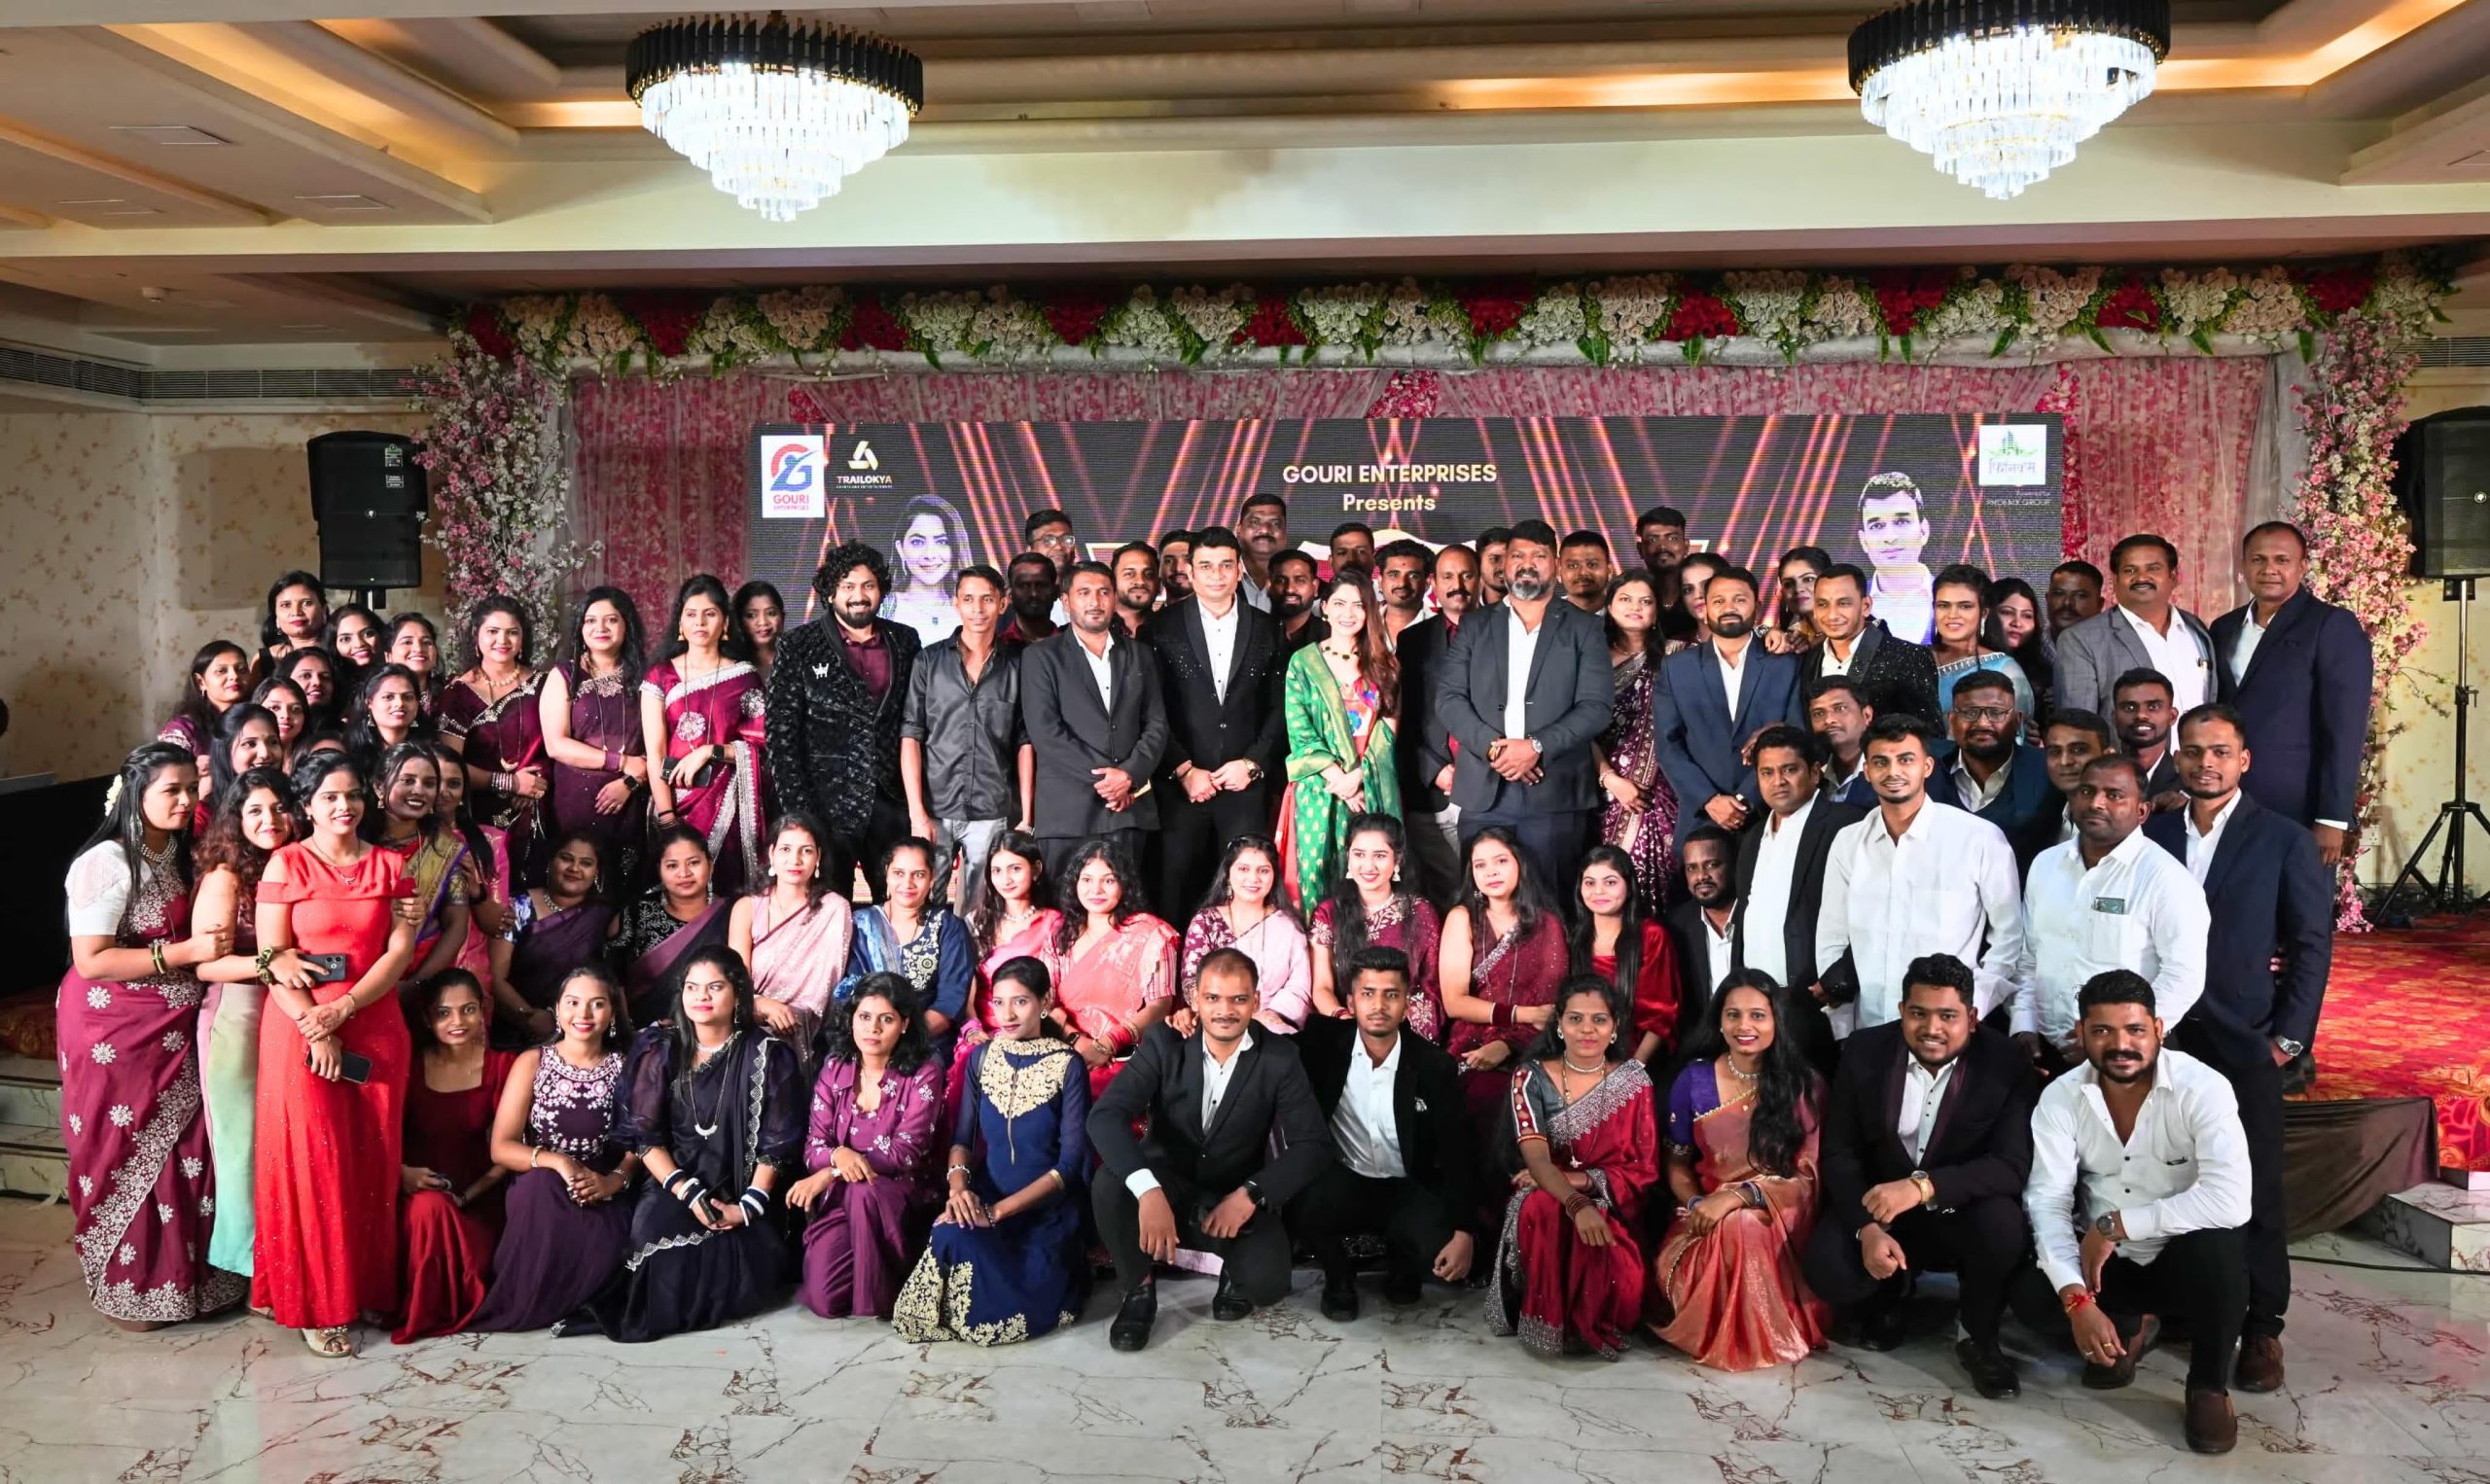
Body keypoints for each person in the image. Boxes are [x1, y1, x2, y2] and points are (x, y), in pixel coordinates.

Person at [2144, 703, 2334, 1390]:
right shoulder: (2152, 833)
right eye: (2193, 751)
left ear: (2244, 760)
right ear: (2177, 757)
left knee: (2252, 1183)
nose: (2206, 763)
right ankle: (2179, 1307)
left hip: (2245, 1038)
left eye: (2220, 751)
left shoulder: (2282, 839)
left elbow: (2311, 943)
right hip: (2162, 1039)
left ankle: (2261, 1327)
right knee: (2167, 1173)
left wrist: (2288, 1038)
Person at [57, 743, 246, 1328]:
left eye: (191, 788)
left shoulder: (184, 854)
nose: (185, 800)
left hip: (175, 1027)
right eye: (171, 790)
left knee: (187, 1148)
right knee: (122, 1148)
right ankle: (130, 1286)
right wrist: (183, 954)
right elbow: (92, 960)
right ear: (136, 793)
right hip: (113, 1030)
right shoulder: (107, 861)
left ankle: (189, 1280)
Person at [2025, 971, 2251, 1454]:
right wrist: (2077, 1301)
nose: (2120, 1045)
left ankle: (2208, 1386)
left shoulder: (2202, 1087)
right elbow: (2048, 1201)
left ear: (2158, 1029)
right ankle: (2127, 1326)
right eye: (2102, 1031)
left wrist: (2116, 1225)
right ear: (2081, 1033)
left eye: (2134, 1030)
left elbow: (2231, 1199)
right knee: (2028, 1293)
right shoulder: (2060, 1097)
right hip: (2104, 1268)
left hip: (2178, 1257)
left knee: (2221, 1249)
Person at [1802, 954, 2034, 1397]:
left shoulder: (2005, 1062)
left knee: (2003, 1227)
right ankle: (1891, 1295)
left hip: (1958, 1209)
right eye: (1918, 1013)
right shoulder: (1865, 1051)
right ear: (1901, 1010)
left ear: (1972, 1017)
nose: (1932, 1028)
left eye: (1947, 1016)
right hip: (1883, 1209)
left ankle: (1978, 1334)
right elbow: (1839, 1151)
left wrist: (1923, 1187)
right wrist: (1865, 1228)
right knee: (1829, 1267)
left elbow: (2010, 1164)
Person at [253, 751, 418, 1357]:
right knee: (314, 1163)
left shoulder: (391, 865)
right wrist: (316, 1027)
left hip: (373, 1023)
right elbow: (271, 961)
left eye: (351, 795)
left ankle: (366, 1287)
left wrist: (343, 1010)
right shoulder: (286, 862)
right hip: (298, 1026)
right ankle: (319, 1304)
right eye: (328, 797)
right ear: (307, 806)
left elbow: (398, 954)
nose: (343, 806)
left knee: (372, 1159)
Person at [1088, 948, 1334, 1349]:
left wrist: (1251, 1194)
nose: (1225, 1011)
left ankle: (1231, 1271)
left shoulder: (1280, 1057)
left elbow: (1313, 1145)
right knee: (1110, 1184)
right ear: (1196, 1000)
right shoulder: (1165, 1042)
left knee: (1267, 1283)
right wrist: (1147, 1190)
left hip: (1228, 1196)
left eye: (1238, 999)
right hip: (1165, 1183)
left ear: (1256, 1001)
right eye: (1213, 998)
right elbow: (1105, 1116)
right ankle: (1139, 1292)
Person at [564, 946, 806, 1342]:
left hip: (741, 1188)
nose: (701, 997)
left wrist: (746, 1208)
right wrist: (688, 1192)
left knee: (737, 1266)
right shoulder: (660, 1047)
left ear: (738, 994)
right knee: (656, 1258)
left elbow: (777, 1144)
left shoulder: (769, 1054)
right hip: (673, 1182)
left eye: (715, 987)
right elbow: (646, 1138)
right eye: (692, 987)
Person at [895, 955, 1091, 1345]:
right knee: (949, 1235)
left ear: (1045, 1001)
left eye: (1020, 1001)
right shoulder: (982, 1058)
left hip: (1045, 1213)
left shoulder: (1069, 1065)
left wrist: (997, 1213)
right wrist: (959, 1193)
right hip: (987, 1195)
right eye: (999, 1002)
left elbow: (1070, 1165)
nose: (1007, 1014)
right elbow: (962, 1141)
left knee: (1013, 1304)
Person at [1651, 971, 1830, 1370]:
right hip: (1703, 1212)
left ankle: (1747, 1339)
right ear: (1719, 1021)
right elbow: (1677, 1163)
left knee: (1743, 1225)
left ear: (1777, 1021)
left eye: (1757, 1016)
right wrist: (1698, 1204)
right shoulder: (1694, 1080)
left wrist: (1739, 1197)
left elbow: (1807, 1176)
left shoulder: (1804, 1086)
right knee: (1730, 1228)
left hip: (1778, 1213)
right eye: (1733, 1015)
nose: (1744, 1026)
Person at [1290, 946, 1475, 1319]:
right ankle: (1338, 1275)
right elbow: (1263, 1047)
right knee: (1297, 1197)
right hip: (1344, 1178)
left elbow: (1459, 1153)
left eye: (1391, 994)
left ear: (1406, 1003)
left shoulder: (1434, 1065)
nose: (1379, 1005)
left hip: (1406, 1185)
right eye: (1368, 993)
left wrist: (1465, 1232)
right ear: (1351, 1001)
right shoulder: (1322, 1045)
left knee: (1438, 1248)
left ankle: (1403, 1263)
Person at [1816, 717, 2024, 1038]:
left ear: (1927, 767)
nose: (1893, 772)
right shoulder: (1848, 842)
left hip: (1950, 1033)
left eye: (1906, 760)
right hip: (1868, 1029)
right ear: (1866, 771)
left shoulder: (1978, 838)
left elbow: (2009, 939)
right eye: (1881, 762)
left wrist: (1971, 1008)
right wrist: (1843, 1029)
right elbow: (1832, 938)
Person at [1436, 520, 1616, 889]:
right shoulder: (1475, 625)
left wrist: (1536, 747)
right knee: (1483, 904)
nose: (1527, 564)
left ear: (1556, 565)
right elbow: (1449, 699)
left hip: (1556, 793)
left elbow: (1596, 706)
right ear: (1504, 565)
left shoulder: (1584, 628)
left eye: (1539, 556)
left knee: (1552, 904)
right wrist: (1496, 749)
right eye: (1518, 555)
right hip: (1485, 791)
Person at [1487, 975, 1655, 1359]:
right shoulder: (1529, 1077)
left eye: (1599, 1020)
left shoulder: (1634, 1082)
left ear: (1615, 1028)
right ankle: (1550, 1321)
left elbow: (1643, 1169)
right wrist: (1576, 1202)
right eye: (1576, 1019)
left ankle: (1587, 1320)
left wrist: (1580, 1183)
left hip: (1612, 1201)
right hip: (1544, 1193)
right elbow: (1536, 1160)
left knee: (1623, 1280)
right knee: (1544, 1205)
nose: (1587, 1030)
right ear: (1559, 1024)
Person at [2014, 756, 2210, 1074]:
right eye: (2087, 791)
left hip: (2127, 1059)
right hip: (2047, 1052)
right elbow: (2030, 956)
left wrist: (2114, 1038)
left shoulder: (2167, 879)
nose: (2096, 803)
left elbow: (2183, 977)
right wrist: (2023, 1024)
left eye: (2114, 795)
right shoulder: (2045, 865)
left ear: (2142, 811)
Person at [472, 964, 639, 1332]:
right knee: (539, 1187)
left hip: (600, 1187)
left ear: (612, 1012)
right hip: (541, 1183)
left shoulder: (626, 1067)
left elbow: (640, 1143)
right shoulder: (532, 1062)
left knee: (611, 1239)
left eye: (597, 1004)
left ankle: (577, 1305)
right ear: (557, 1009)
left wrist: (613, 1181)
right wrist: (558, 1163)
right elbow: (501, 1147)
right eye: (573, 1002)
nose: (583, 1014)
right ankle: (534, 1301)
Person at [1144, 527, 1287, 918]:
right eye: (1206, 566)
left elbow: (1280, 708)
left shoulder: (1267, 627)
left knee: (1246, 896)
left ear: (1239, 569)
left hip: (1244, 787)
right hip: (1181, 788)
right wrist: (1183, 769)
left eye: (1226, 565)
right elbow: (1151, 709)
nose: (1217, 575)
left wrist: (1253, 763)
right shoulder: (1160, 628)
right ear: (1190, 572)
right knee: (1175, 892)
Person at [790, 973, 949, 1321]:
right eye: (864, 1016)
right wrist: (838, 1156)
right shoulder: (835, 1068)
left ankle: (882, 1293)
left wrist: (831, 1172)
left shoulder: (924, 1073)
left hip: (902, 1196)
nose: (872, 1028)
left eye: (886, 1019)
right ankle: (871, 1282)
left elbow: (906, 1152)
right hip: (842, 1199)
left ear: (905, 1024)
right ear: (851, 1019)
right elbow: (814, 1146)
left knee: (864, 1192)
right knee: (825, 1300)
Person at [767, 544, 921, 900]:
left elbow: (916, 723)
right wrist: (801, 815)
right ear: (830, 592)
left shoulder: (905, 640)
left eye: (868, 585)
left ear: (881, 589)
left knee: (899, 907)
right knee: (826, 909)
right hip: (825, 806)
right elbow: (781, 735)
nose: (859, 596)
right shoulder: (798, 645)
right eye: (848, 586)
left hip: (891, 802)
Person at [191, 766, 297, 1281]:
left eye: (279, 807)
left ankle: (284, 1261)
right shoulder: (226, 876)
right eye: (255, 810)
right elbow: (206, 964)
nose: (269, 819)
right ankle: (250, 1268)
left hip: (289, 1014)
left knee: (283, 1144)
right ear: (236, 818)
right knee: (242, 1148)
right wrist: (273, 964)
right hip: (238, 1015)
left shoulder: (299, 862)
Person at [2212, 521, 2372, 861]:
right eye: (2258, 559)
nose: (2269, 569)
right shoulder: (2223, 627)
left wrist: (2332, 817)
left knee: (2297, 894)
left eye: (2281, 560)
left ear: (2302, 566)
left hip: (2299, 806)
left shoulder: (2330, 624)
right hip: (2227, 800)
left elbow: (2345, 728)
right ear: (2244, 565)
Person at [392, 970, 517, 1343]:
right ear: (427, 1018)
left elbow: (509, 1149)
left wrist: (467, 1195)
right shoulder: (409, 1065)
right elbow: (382, 1135)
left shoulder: (504, 1066)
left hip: (479, 1195)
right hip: (416, 1190)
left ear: (484, 1009)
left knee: (447, 1218)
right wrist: (401, 1173)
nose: (457, 1021)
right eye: (444, 1013)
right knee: (429, 1210)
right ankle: (422, 1309)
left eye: (468, 1010)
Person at [1730, 725, 1863, 1076]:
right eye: (1767, 773)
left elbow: (1877, 910)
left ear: (1815, 773)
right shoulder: (1752, 837)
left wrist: (1839, 978)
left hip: (1823, 1003)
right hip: (1762, 1009)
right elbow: (1746, 915)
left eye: (1789, 769)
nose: (1778, 781)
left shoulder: (1847, 824)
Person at [1020, 561, 1166, 880]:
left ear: (1114, 598)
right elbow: (1046, 732)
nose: (1095, 601)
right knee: (1064, 906)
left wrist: (1129, 775)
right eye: (1084, 593)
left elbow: (1156, 725)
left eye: (1103, 592)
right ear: (1066, 600)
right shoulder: (1041, 657)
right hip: (1068, 813)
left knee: (1127, 906)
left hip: (1128, 809)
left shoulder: (1140, 654)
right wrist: (1110, 782)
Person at [903, 564, 1031, 917]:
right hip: (935, 807)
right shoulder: (928, 661)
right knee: (923, 908)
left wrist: (1027, 815)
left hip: (992, 808)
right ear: (955, 602)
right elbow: (911, 735)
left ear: (1002, 603)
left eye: (987, 599)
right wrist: (917, 813)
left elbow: (1025, 740)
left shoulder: (1018, 665)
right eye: (969, 599)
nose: (978, 609)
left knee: (977, 913)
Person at [1654, 563, 1806, 845]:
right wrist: (1710, 800)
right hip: (1701, 818)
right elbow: (1668, 745)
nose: (1729, 608)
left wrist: (1746, 799)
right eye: (1718, 601)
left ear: (1756, 607)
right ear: (1705, 609)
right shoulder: (1676, 668)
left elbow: (1797, 732)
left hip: (1771, 813)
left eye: (1739, 599)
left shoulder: (1785, 664)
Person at [642, 575, 767, 895]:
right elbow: (655, 752)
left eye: (710, 614)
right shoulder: (660, 675)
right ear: (680, 623)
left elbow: (762, 745)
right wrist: (666, 816)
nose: (700, 622)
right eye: (691, 614)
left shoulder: (744, 677)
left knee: (724, 892)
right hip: (673, 800)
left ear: (724, 623)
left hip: (728, 805)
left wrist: (710, 751)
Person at [1285, 572, 1402, 902]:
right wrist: (1338, 779)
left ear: (1370, 611)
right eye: (1339, 603)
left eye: (1358, 605)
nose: (1347, 613)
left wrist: (1358, 777)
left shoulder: (1385, 664)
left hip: (1371, 785)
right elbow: (1300, 729)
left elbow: (1387, 731)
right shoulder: (1303, 662)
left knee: (1371, 876)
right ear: (1324, 607)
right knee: (1316, 875)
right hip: (1320, 785)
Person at [1441, 827, 1570, 1125]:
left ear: (1519, 863)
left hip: (1534, 1043)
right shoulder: (1462, 918)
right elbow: (1455, 1002)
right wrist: (1520, 1015)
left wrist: (1508, 1045)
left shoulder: (1546, 923)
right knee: (1477, 1093)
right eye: (1480, 865)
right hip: (1471, 1041)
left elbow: (1548, 1011)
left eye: (1501, 861)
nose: (1491, 872)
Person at [539, 586, 650, 891]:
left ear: (627, 625)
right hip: (575, 802)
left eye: (611, 620)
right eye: (591, 621)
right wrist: (621, 762)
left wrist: (630, 783)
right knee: (575, 887)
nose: (600, 628)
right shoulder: (565, 675)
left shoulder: (647, 677)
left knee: (624, 889)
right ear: (580, 628)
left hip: (631, 799)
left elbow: (659, 743)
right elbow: (556, 744)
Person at [1051, 838, 1179, 1097]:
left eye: (1108, 880)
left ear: (1124, 884)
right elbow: (1045, 1002)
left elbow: (1160, 1005)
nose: (1096, 890)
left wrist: (1108, 1044)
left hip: (1126, 1057)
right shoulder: (1060, 935)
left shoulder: (1151, 933)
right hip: (1062, 1049)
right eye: (1087, 880)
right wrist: (1076, 1040)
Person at [439, 595, 548, 885]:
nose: (503, 640)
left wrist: (537, 781)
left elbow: (562, 741)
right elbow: (449, 766)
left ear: (523, 639)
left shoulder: (545, 684)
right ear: (477, 637)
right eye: (493, 631)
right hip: (481, 813)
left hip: (541, 809)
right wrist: (510, 782)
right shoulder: (458, 693)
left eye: (512, 632)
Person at [836, 838, 975, 1060]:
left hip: (927, 1042)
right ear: (886, 873)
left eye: (918, 874)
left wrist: (905, 1039)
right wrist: (878, 1038)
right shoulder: (861, 925)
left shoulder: (948, 927)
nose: (907, 883)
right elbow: (850, 993)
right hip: (867, 1041)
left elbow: (950, 1000)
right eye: (899, 873)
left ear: (932, 878)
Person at [1309, 813, 1444, 1038]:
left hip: (1406, 1026)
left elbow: (1431, 985)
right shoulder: (1328, 912)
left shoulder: (1419, 911)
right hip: (1346, 1024)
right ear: (1348, 857)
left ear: (1397, 859)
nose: (1368, 866)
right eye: (1359, 854)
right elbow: (1322, 988)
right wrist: (1346, 1021)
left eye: (1380, 855)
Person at [2053, 534, 2216, 721]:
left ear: (2173, 577)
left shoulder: (2196, 629)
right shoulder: (2081, 639)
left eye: (2153, 568)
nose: (2141, 577)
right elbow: (2078, 727)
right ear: (2115, 580)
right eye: (2130, 570)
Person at [727, 814, 853, 1048]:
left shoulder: (834, 909)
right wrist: (762, 1006)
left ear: (818, 857)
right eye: (785, 849)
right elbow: (735, 980)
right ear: (771, 854)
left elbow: (824, 990)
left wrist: (788, 1016)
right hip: (748, 1021)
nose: (795, 859)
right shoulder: (747, 908)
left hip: (802, 1030)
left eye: (806, 851)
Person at [1394, 542, 1476, 900]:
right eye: (1448, 577)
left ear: (1480, 579)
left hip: (1492, 788)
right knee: (1441, 897)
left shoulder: (1504, 633)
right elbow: (1404, 718)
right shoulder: (1413, 641)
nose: (1458, 585)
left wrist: (1476, 769)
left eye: (1467, 575)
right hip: (1432, 790)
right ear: (1434, 584)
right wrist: (1434, 769)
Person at [1594, 571, 1679, 909]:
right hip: (1604, 792)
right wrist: (1610, 779)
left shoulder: (1679, 655)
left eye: (1646, 601)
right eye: (1626, 600)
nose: (1636, 607)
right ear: (1609, 606)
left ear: (1657, 610)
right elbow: (1577, 729)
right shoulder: (1589, 660)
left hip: (1663, 791)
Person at [1179, 834, 1313, 1034]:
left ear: (1274, 876)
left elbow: (1299, 986)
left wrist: (1268, 1017)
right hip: (1216, 1023)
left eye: (1263, 871)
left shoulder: (1287, 924)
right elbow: (1192, 984)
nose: (1253, 879)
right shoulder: (1206, 922)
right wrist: (1237, 1016)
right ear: (1227, 873)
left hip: (1273, 1025)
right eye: (1243, 869)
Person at [366, 743, 473, 991]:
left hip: (420, 974)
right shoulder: (357, 840)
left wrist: (416, 985)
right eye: (408, 780)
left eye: (429, 783)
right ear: (379, 786)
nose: (419, 790)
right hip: (359, 970)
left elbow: (456, 926)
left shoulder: (445, 848)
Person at [1572, 843, 1682, 1068]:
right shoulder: (1574, 938)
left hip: (1636, 1059)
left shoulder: (1651, 936)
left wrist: (1632, 1070)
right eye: (1590, 883)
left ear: (1629, 887)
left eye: (1610, 882)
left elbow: (1661, 1017)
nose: (1598, 891)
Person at [1929, 670, 2059, 861]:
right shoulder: (1926, 768)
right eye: (1970, 712)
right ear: (1951, 721)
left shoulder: (2047, 770)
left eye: (1996, 713)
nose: (1982, 723)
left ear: (2018, 721)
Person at [613, 826, 734, 1029]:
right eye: (672, 866)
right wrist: (629, 1033)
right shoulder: (636, 913)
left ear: (710, 866)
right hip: (643, 1033)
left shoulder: (731, 913)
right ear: (659, 870)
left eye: (694, 863)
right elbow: (612, 977)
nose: (684, 873)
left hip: (713, 1029)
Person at [1797, 564, 1940, 727]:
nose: (1832, 615)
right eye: (1823, 604)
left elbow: (1929, 734)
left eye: (1843, 603)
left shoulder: (1909, 656)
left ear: (1865, 606)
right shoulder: (1808, 659)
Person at [499, 830, 616, 1022]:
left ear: (596, 872)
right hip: (521, 1021)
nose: (574, 868)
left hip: (583, 1021)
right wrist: (530, 1017)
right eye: (566, 859)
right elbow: (496, 978)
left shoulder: (603, 915)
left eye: (586, 863)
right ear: (551, 861)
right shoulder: (518, 907)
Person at [1665, 827, 1741, 1053]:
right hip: (1702, 1046)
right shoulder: (1676, 925)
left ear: (1734, 866)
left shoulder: (1756, 914)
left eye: (1712, 865)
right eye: (1692, 868)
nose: (1701, 876)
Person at [1929, 564, 2036, 722]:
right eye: (1943, 605)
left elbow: (2017, 732)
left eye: (1965, 606)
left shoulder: (2005, 670)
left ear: (1984, 613)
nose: (1952, 615)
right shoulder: (1913, 660)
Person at [881, 494, 973, 645]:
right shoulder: (883, 608)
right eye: (917, 542)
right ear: (900, 549)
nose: (929, 555)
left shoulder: (971, 610)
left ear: (955, 548)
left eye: (942, 542)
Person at [1855, 472, 1936, 644]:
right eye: (1877, 526)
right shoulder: (1850, 605)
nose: (1890, 537)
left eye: (1901, 522)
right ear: (1864, 541)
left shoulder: (1956, 598)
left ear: (1923, 531)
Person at [2032, 708, 2117, 853]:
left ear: (2108, 756)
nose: (2065, 761)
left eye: (2078, 750)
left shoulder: (2124, 818)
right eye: (2055, 752)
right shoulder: (2043, 814)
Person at [161, 639, 251, 765]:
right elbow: (168, 772)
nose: (234, 676)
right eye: (221, 671)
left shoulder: (257, 720)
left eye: (241, 669)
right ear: (200, 682)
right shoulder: (183, 729)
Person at [1984, 576, 2056, 723]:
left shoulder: (2044, 673)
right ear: (1987, 614)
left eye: (2027, 616)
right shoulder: (1970, 660)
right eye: (2006, 612)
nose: (2017, 623)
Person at [2110, 668, 2186, 802]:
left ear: (2172, 716)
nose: (2141, 715)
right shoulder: (2096, 781)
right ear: (2114, 717)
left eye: (2153, 707)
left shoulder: (2188, 786)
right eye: (2129, 708)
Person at [204, 702, 285, 817]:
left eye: (273, 742)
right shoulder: (205, 814)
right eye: (250, 744)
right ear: (225, 751)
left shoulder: (295, 803)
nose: (265, 754)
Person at [1807, 676, 1876, 806]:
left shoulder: (1888, 772)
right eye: (1818, 713)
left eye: (1840, 709)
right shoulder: (1810, 779)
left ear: (1867, 715)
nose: (1829, 720)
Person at [347, 662, 430, 763]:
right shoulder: (350, 754)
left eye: (408, 697)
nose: (400, 703)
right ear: (369, 703)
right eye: (388, 697)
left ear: (417, 703)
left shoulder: (430, 753)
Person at [254, 570, 330, 679]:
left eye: (306, 603)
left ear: (323, 610)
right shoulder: (265, 659)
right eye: (286, 605)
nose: (296, 612)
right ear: (276, 617)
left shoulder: (342, 652)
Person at [1635, 506, 1691, 642]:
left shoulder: (1703, 596)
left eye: (1672, 538)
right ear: (1640, 549)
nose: (1662, 547)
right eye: (1652, 540)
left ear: (1686, 546)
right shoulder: (1631, 597)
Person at [1024, 509, 1084, 626]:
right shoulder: (1016, 600)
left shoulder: (1088, 597)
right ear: (1030, 551)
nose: (1059, 547)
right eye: (1048, 540)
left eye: (1066, 539)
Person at [1235, 492, 1289, 612]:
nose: (1265, 530)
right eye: (1255, 522)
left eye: (1275, 524)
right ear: (1239, 531)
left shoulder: (1301, 584)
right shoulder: (1219, 577)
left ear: (1285, 533)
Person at [1374, 538, 1433, 644]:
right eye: (1394, 575)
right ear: (1380, 581)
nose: (1402, 583)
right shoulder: (1362, 625)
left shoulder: (1444, 630)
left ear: (1427, 583)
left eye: (1413, 576)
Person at [384, 612, 445, 712]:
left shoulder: (452, 696)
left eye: (426, 642)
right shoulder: (378, 699)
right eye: (407, 642)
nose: (419, 649)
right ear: (388, 656)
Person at [1269, 548, 1327, 652]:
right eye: (1280, 581)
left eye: (1300, 580)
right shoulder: (1251, 631)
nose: (1289, 589)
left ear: (1315, 587)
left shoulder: (1333, 636)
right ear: (1270, 586)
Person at [1000, 552, 1060, 645]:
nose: (1033, 594)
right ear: (1009, 595)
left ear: (1056, 592)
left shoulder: (1076, 646)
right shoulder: (994, 649)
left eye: (1041, 585)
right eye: (1024, 586)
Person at [281, 647, 344, 737]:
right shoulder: (273, 729)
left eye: (325, 677)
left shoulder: (346, 734)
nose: (317, 682)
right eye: (305, 676)